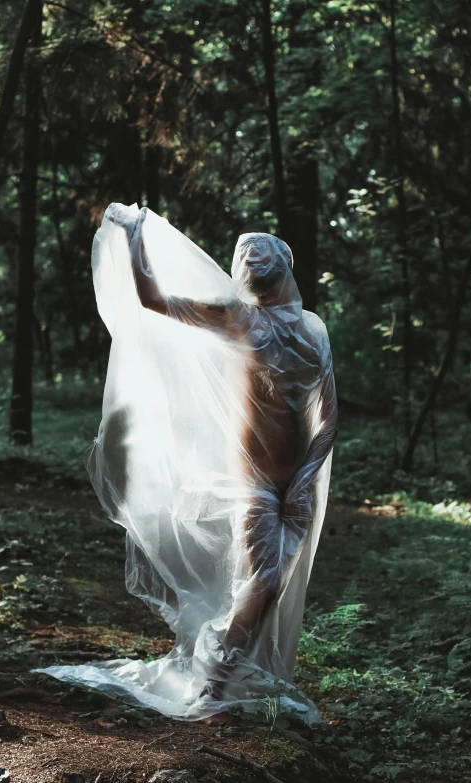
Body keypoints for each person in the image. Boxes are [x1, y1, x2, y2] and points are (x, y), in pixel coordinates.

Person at [33, 203, 338, 725]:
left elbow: (327, 418)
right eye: (252, 270)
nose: (259, 277)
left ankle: (237, 676)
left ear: (285, 272)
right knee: (263, 581)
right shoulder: (238, 322)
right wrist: (134, 237)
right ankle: (214, 686)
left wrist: (305, 481)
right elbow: (153, 300)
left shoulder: (312, 336)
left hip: (297, 484)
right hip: (257, 484)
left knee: (269, 589)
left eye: (267, 270)